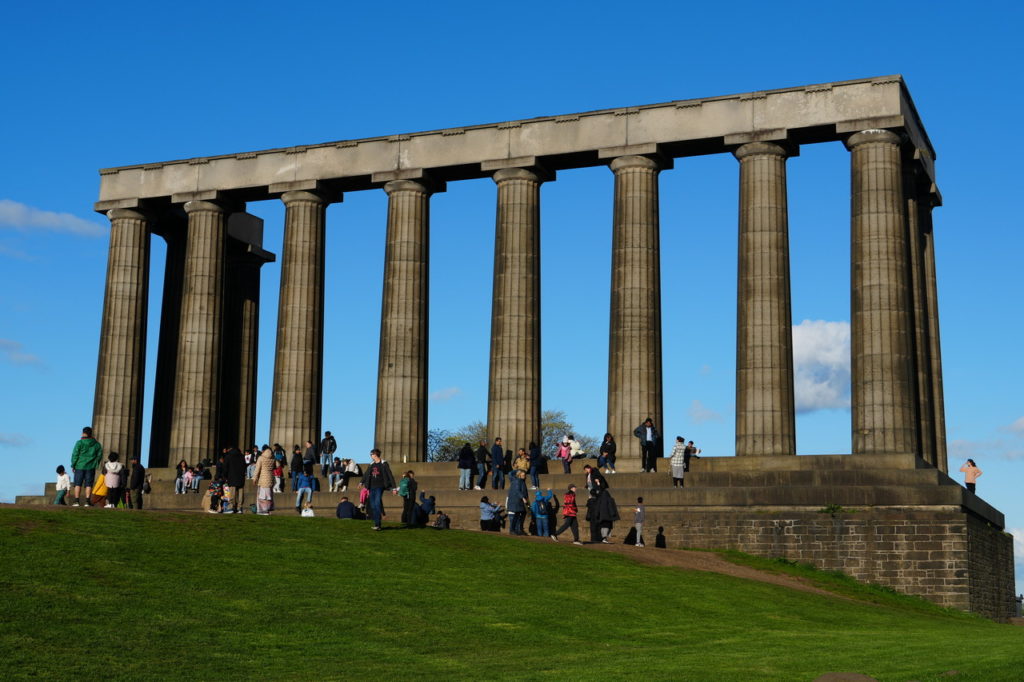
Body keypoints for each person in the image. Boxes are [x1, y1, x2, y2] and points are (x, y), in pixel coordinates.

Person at [361, 449, 396, 531]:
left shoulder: (383, 464)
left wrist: (394, 488)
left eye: (371, 454)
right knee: (373, 506)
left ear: (375, 455)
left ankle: (378, 524)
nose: (370, 456)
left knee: (377, 503)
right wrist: (361, 482)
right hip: (371, 487)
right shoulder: (371, 464)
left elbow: (390, 475)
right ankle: (377, 524)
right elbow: (366, 474)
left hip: (380, 487)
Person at [70, 426, 103, 507]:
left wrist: (73, 465)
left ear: (83, 433)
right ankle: (87, 501)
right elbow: (99, 455)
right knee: (88, 484)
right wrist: (95, 463)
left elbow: (75, 454)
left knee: (78, 484)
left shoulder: (79, 443)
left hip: (79, 466)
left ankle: (76, 501)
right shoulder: (97, 444)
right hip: (91, 467)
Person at [223, 445, 247, 513]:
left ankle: (231, 507)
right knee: (240, 492)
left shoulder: (228, 456)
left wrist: (225, 476)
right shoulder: (242, 456)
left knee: (232, 492)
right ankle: (240, 508)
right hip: (240, 477)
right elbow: (244, 466)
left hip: (232, 476)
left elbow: (225, 467)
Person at [253, 446, 276, 515]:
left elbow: (257, 469)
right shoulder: (273, 458)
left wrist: (255, 478)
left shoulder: (261, 458)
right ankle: (268, 509)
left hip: (263, 479)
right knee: (269, 496)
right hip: (270, 479)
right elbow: (277, 465)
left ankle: (262, 510)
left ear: (263, 450)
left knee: (262, 496)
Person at [507, 470, 529, 535]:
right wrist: (523, 498)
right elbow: (517, 490)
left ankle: (518, 529)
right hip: (517, 501)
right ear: (519, 475)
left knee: (520, 514)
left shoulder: (521, 481)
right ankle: (513, 530)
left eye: (524, 475)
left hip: (519, 501)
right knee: (517, 515)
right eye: (523, 475)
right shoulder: (517, 481)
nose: (524, 476)